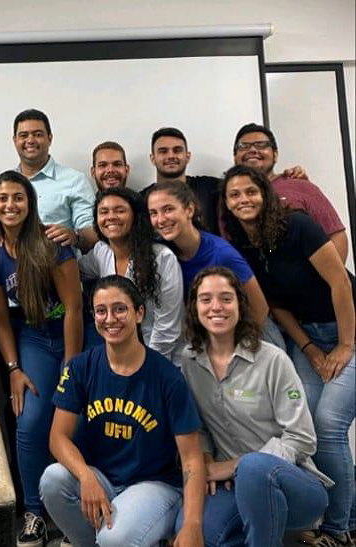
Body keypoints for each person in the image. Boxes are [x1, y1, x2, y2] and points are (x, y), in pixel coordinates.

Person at [220, 165, 355, 546]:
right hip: (307, 335)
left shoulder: (298, 226)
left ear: (265, 193)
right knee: (304, 423)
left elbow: (340, 282)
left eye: (251, 191)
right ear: (226, 204)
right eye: (235, 195)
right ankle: (321, 514)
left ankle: (340, 529)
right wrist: (310, 349)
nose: (244, 200)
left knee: (329, 423)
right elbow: (274, 304)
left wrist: (345, 345)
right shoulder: (241, 243)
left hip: (349, 328)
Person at [40, 275, 205, 547]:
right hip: (103, 479)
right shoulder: (81, 367)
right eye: (101, 311)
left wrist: (192, 524)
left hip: (155, 484)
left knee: (114, 538)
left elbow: (191, 459)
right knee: (52, 479)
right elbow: (57, 437)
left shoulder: (167, 377)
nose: (110, 318)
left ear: (139, 313)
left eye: (120, 309)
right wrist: (85, 475)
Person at [180, 266, 332, 547]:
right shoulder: (188, 362)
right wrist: (207, 460)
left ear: (240, 304)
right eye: (206, 299)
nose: (216, 307)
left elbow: (303, 438)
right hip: (231, 485)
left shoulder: (273, 360)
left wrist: (235, 466)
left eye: (226, 298)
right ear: (194, 308)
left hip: (292, 481)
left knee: (252, 469)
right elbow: (197, 426)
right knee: (202, 532)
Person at [0, 170, 83, 547]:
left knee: (78, 417)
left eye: (18, 198)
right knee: (29, 422)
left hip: (72, 337)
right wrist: (13, 368)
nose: (10, 205)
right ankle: (34, 514)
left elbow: (74, 307)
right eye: (2, 198)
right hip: (33, 339)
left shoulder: (52, 242)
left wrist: (71, 369)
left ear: (30, 203)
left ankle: (78, 512)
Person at [146, 180, 271, 333]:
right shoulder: (161, 252)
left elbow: (260, 309)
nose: (161, 219)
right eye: (153, 213)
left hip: (248, 331)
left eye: (168, 209)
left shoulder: (222, 254)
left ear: (189, 210)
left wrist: (239, 347)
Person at [79, 187, 183, 362]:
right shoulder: (100, 252)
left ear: (135, 216)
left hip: (162, 357)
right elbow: (75, 271)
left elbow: (167, 327)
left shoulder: (162, 258)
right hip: (120, 354)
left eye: (120, 210)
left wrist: (148, 365)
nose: (111, 217)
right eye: (104, 212)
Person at [141, 127, 308, 236]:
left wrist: (285, 178)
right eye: (163, 151)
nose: (171, 156)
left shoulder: (212, 187)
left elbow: (250, 184)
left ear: (188, 156)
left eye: (177, 150)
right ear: (152, 158)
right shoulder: (141, 199)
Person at [232, 122, 349, 262]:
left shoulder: (300, 185)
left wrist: (328, 281)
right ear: (235, 157)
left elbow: (336, 235)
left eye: (261, 145)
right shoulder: (228, 198)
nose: (252, 150)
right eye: (243, 146)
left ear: (275, 155)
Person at [11, 109, 97, 250]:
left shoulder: (74, 181)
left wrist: (75, 237)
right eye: (23, 135)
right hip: (10, 269)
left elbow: (92, 233)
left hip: (60, 268)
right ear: (15, 141)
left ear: (50, 138)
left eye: (38, 134)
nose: (30, 140)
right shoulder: (3, 185)